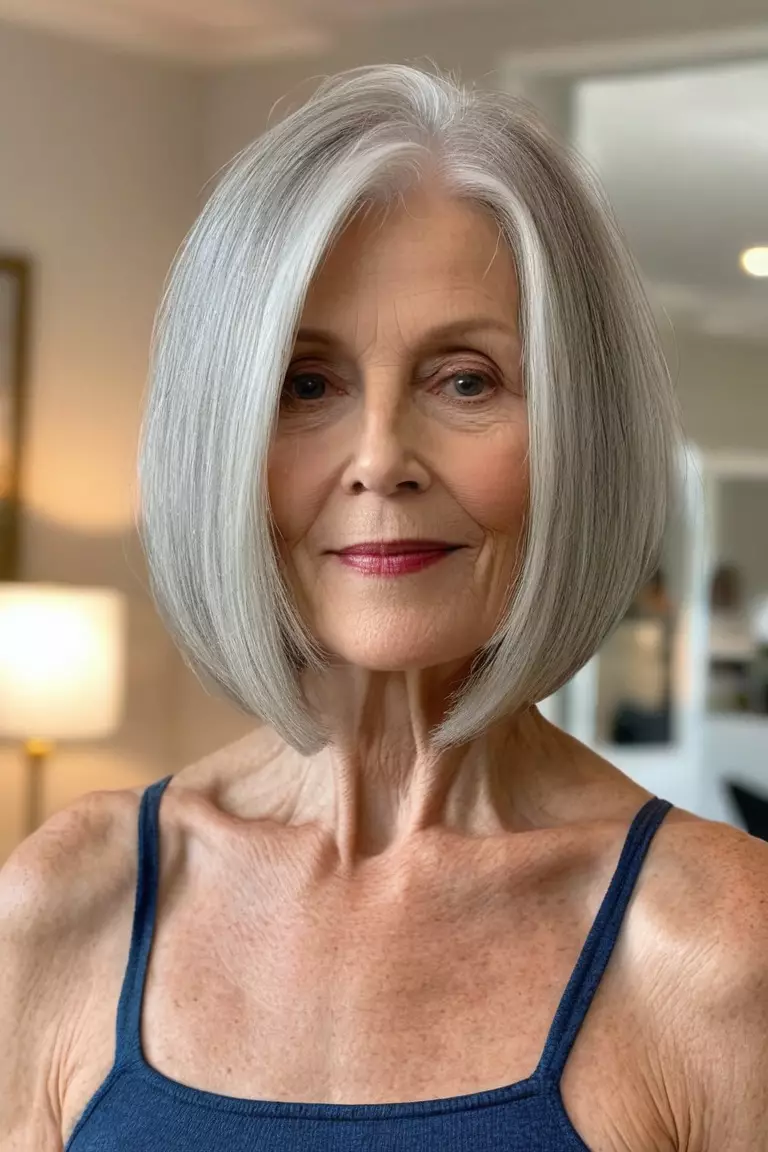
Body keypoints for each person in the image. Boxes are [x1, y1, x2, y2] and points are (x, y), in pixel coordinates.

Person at [2, 65, 767, 1152]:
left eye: (464, 380)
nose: (380, 461)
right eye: (307, 385)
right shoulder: (65, 902)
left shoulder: (725, 947)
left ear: (573, 431)